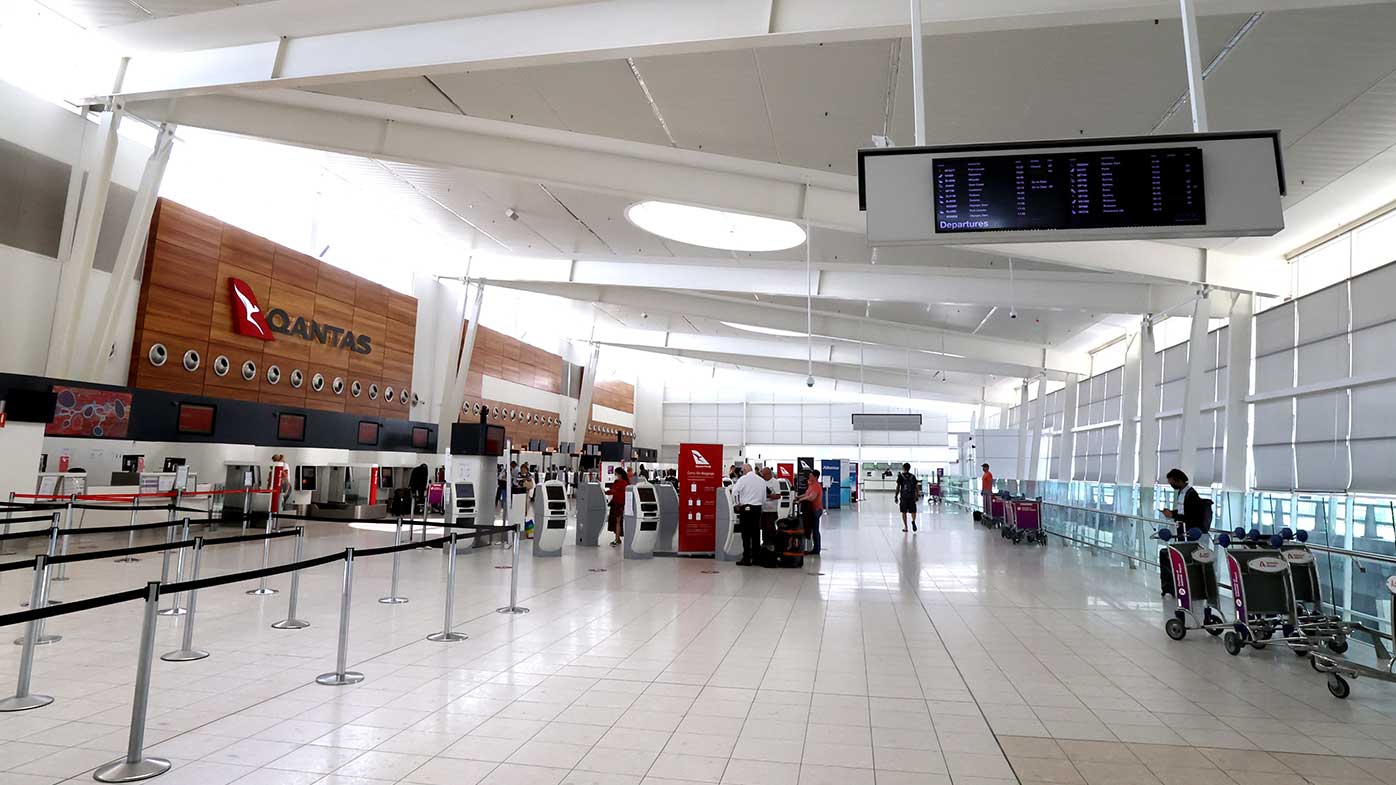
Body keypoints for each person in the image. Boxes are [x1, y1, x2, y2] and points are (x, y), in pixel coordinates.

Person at [731, 464, 767, 566]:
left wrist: (737, 504)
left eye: (742, 471)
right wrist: (761, 508)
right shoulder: (761, 480)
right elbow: (764, 498)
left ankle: (746, 558)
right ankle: (756, 558)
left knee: (746, 534)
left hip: (746, 508)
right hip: (757, 509)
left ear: (745, 470)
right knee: (756, 533)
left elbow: (734, 491)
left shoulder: (743, 479)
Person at [799, 468, 824, 555]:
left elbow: (811, 497)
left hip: (816, 510)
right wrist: (798, 497)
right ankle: (814, 548)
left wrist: (800, 499)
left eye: (811, 475)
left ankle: (816, 549)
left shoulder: (816, 486)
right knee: (813, 529)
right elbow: (807, 494)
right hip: (811, 510)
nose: (809, 476)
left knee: (815, 530)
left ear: (815, 477)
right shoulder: (811, 485)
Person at [759, 466, 782, 549]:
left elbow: (778, 496)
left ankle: (772, 542)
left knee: (770, 527)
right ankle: (765, 542)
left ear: (768, 474)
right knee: (764, 527)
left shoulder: (775, 482)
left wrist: (767, 495)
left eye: (764, 475)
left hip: (771, 509)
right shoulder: (762, 482)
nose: (763, 476)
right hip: (763, 509)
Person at [607, 467, 629, 547]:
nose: (614, 475)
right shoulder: (624, 482)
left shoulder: (622, 483)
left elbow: (613, 491)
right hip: (618, 504)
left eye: (615, 474)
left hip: (618, 504)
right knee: (617, 522)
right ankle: (618, 538)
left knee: (617, 522)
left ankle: (617, 540)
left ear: (619, 474)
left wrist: (605, 492)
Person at [895, 462, 920, 533]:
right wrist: (917, 495)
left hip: (904, 497)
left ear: (903, 468)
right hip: (911, 496)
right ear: (909, 468)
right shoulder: (913, 476)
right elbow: (916, 487)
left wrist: (896, 496)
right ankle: (913, 521)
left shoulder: (901, 476)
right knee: (913, 511)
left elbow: (898, 487)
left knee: (904, 512)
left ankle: (906, 527)